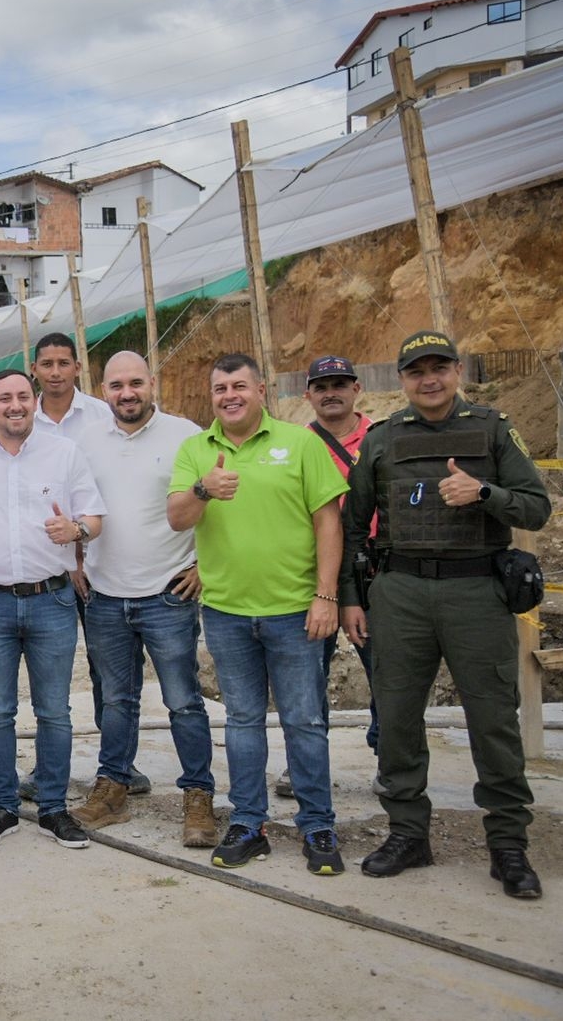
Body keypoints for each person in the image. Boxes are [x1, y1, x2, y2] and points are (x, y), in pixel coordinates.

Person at [341, 331, 550, 898]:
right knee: (399, 721)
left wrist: (485, 492)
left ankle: (508, 846)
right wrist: (352, 598)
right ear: (402, 380)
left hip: (477, 592)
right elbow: (355, 527)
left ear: (457, 372)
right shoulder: (383, 440)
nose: (428, 380)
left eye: (439, 368)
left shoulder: (493, 429)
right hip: (400, 593)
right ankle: (408, 833)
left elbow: (538, 504)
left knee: (493, 722)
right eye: (416, 371)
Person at [167, 352, 347, 875]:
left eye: (239, 386)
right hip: (225, 612)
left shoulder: (301, 443)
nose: (230, 396)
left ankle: (317, 824)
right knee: (243, 721)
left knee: (305, 721)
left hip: (295, 611)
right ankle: (249, 822)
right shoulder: (196, 450)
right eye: (220, 388)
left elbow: (328, 522)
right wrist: (204, 489)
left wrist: (326, 595)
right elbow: (177, 517)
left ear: (261, 390)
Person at [0, 368, 103, 850]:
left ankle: (55, 808)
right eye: (4, 399)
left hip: (52, 599)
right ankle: (2, 807)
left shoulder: (65, 453)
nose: (15, 405)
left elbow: (94, 517)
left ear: (34, 402)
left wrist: (76, 531)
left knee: (54, 711)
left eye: (22, 396)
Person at [70, 353, 218, 846]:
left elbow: (213, 503)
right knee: (116, 700)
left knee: (183, 701)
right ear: (103, 389)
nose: (126, 392)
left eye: (136, 383)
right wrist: (75, 564)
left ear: (152, 384)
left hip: (167, 594)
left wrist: (203, 566)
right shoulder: (85, 440)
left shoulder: (186, 435)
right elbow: (74, 508)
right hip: (105, 596)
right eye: (116, 385)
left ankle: (198, 796)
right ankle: (113, 788)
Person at [30, 331, 149, 796]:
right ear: (35, 369)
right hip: (46, 571)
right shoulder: (22, 419)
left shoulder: (102, 417)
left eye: (64, 362)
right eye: (47, 363)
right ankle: (46, 769)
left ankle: (118, 764)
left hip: (100, 567)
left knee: (111, 671)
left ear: (79, 369)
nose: (56, 372)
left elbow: (109, 492)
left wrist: (82, 553)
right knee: (50, 678)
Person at [291, 354, 380, 795]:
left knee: (387, 672)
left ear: (356, 389)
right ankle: (307, 768)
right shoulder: (295, 443)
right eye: (322, 386)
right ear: (308, 395)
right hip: (316, 576)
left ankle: (391, 755)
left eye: (340, 384)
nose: (331, 393)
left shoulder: (381, 440)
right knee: (307, 679)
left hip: (374, 572)